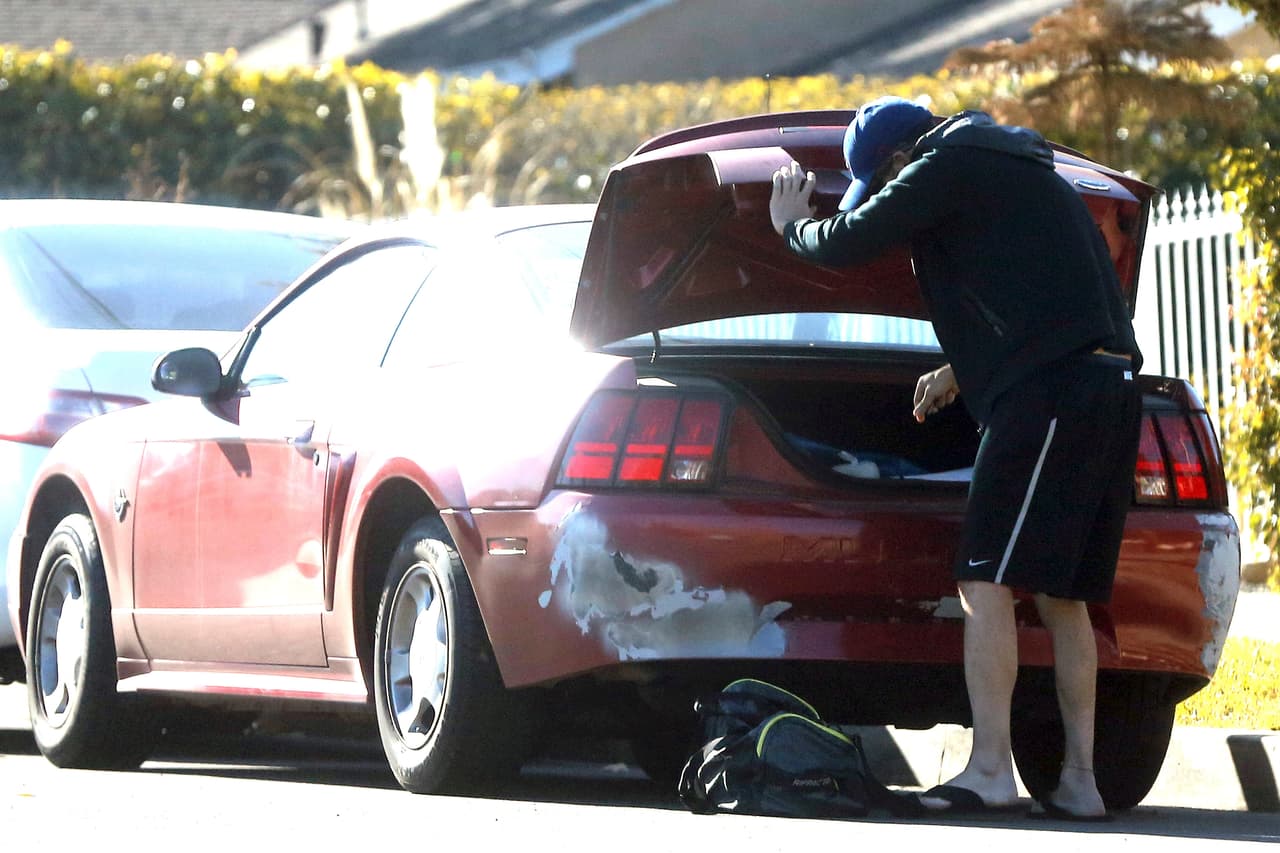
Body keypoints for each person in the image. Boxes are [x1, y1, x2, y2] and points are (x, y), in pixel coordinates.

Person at [768, 96, 1143, 821]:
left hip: (1052, 396)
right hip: (1109, 389)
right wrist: (960, 367)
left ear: (900, 160)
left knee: (985, 578)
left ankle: (992, 769)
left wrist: (792, 229)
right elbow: (1045, 296)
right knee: (1065, 596)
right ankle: (1081, 782)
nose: (888, 195)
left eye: (883, 182)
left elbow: (848, 238)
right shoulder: (1028, 169)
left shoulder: (947, 162)